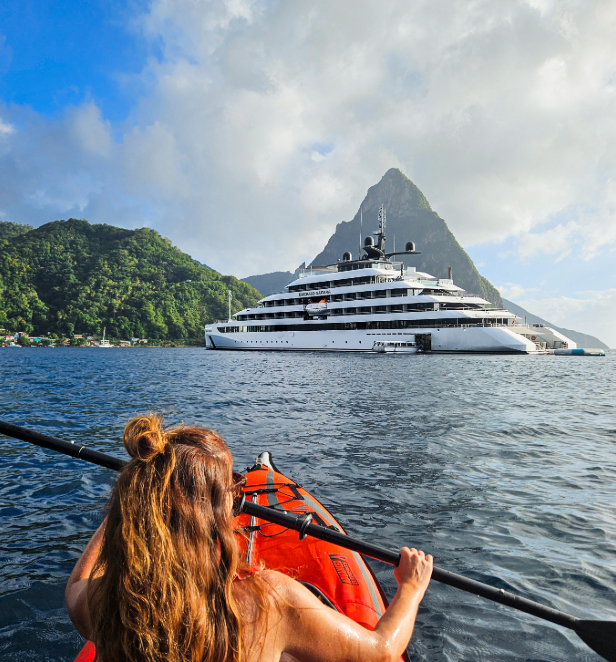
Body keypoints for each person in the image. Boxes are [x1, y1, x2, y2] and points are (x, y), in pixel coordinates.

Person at [66, 415, 433, 662]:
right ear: (212, 510)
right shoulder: (271, 601)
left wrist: (130, 508)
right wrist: (411, 588)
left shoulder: (108, 601)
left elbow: (76, 586)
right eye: (234, 485)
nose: (240, 492)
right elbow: (383, 650)